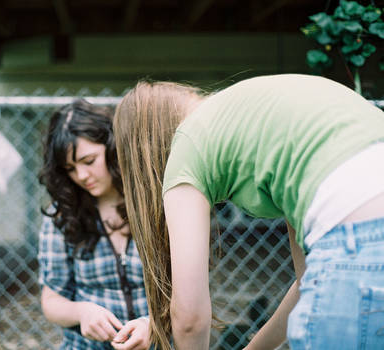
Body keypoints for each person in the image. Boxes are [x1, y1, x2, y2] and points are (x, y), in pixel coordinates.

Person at [112, 74, 384, 350]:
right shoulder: (262, 116)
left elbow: (190, 319)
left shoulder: (188, 143)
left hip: (359, 244)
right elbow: (306, 281)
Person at [37, 99, 151, 350]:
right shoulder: (63, 214)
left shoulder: (152, 204)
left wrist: (151, 325)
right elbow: (51, 300)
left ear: (113, 148)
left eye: (89, 161)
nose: (81, 176)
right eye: (70, 168)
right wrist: (81, 312)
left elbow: (186, 295)